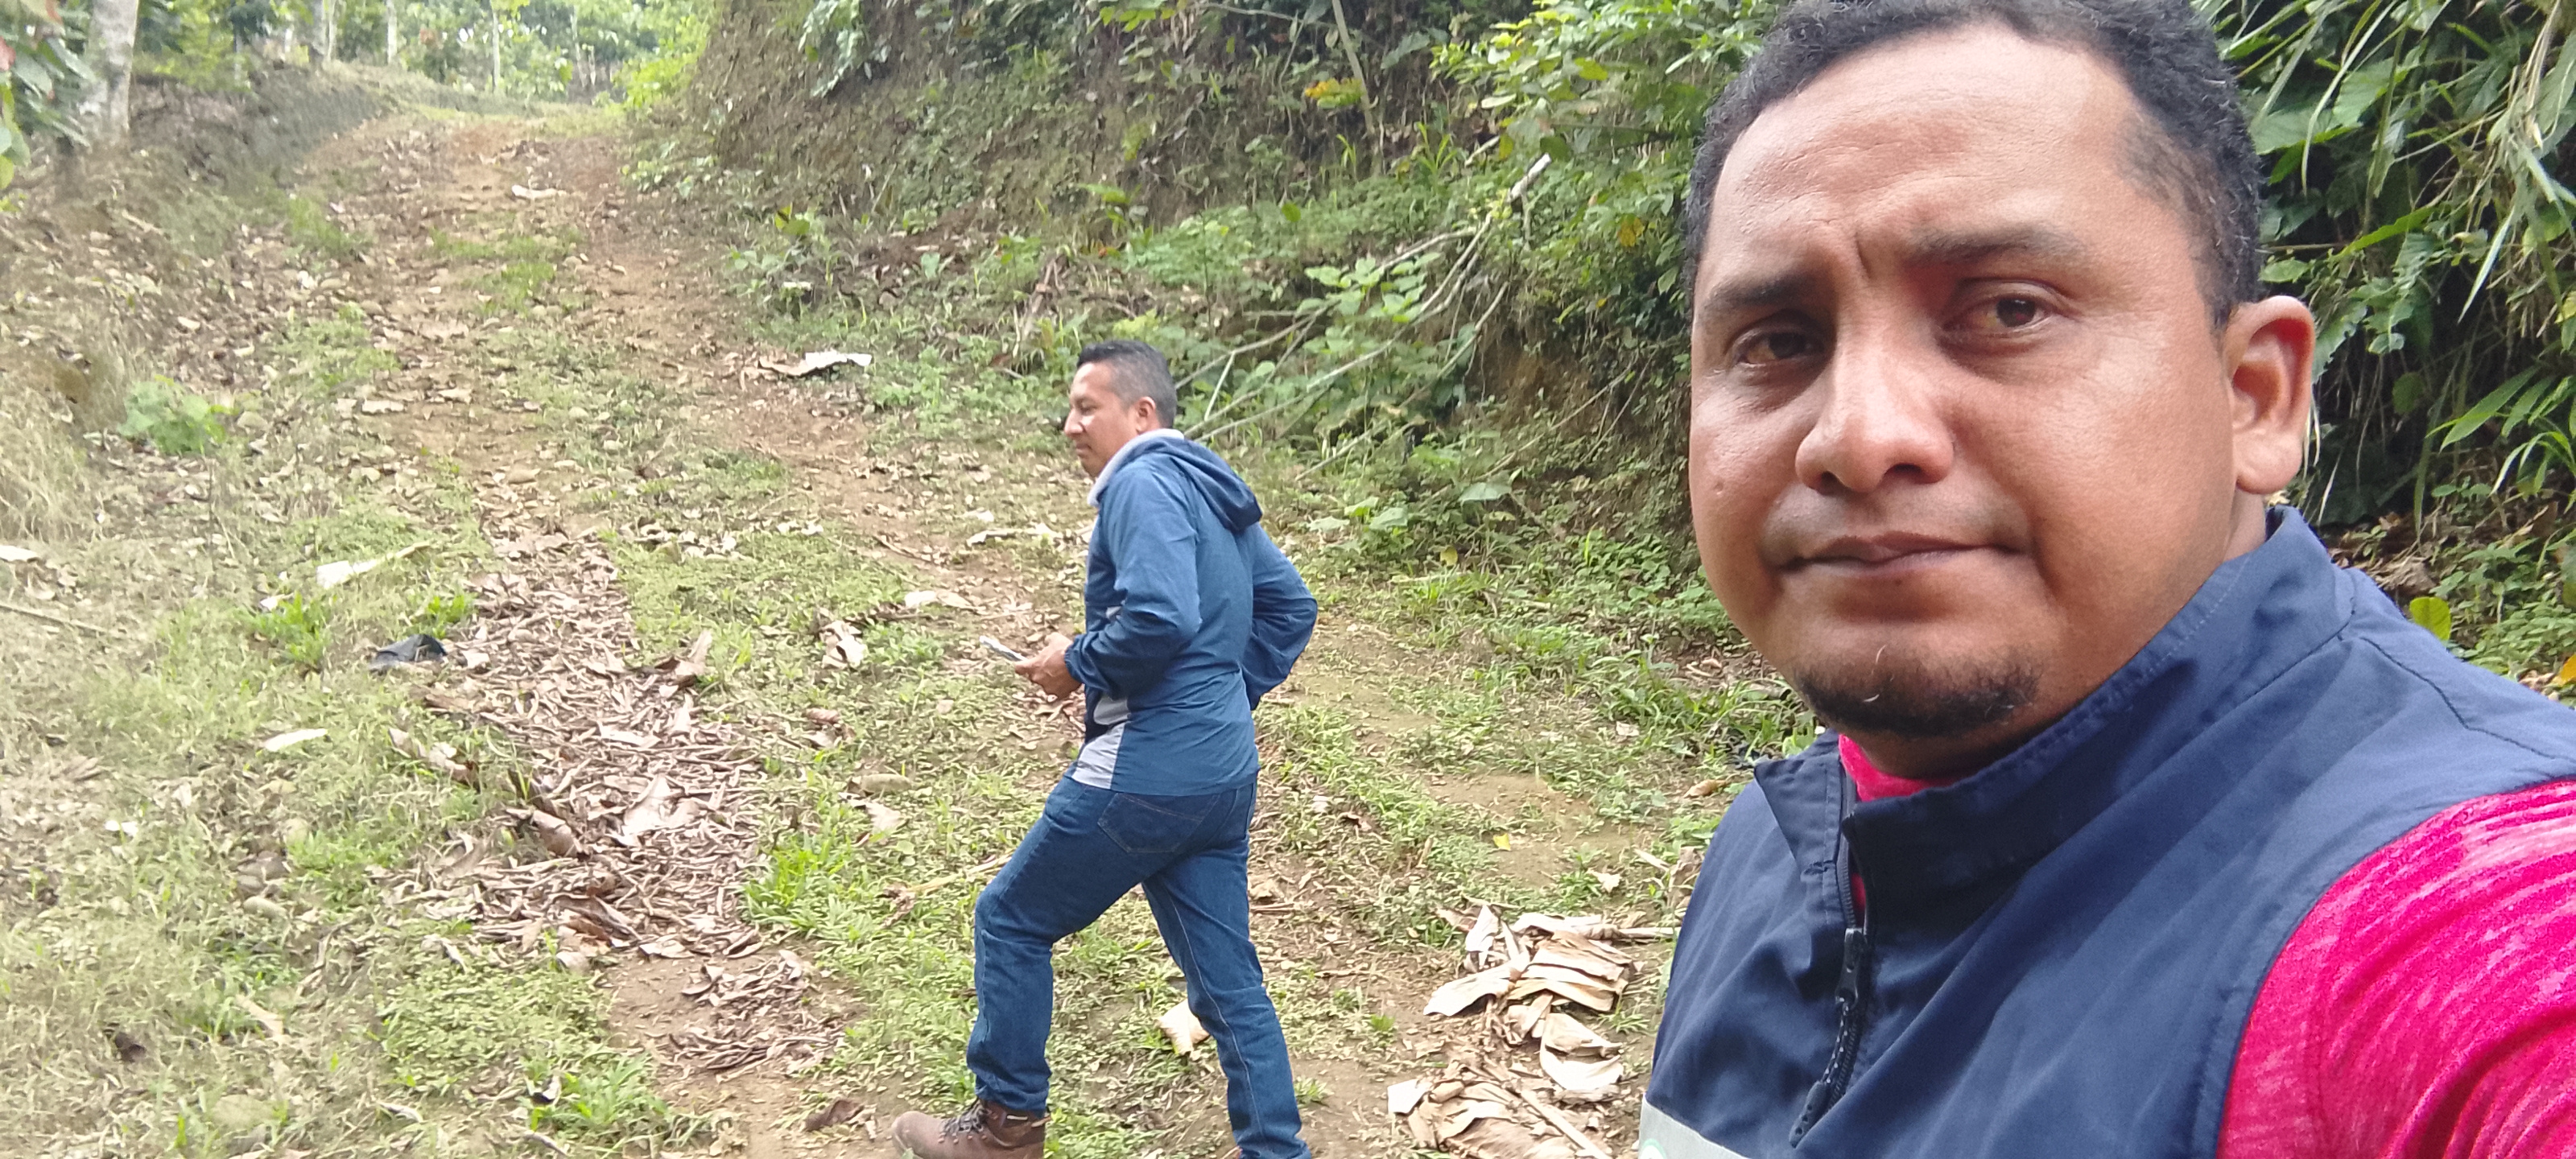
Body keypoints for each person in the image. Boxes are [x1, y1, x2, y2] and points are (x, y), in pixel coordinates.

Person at [1643, 1, 2576, 1156]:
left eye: (2008, 310)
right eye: (1778, 341)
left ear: (2253, 398)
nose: (1858, 435)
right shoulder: (1778, 843)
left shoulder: (2455, 916)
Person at [891, 340, 1319, 1159]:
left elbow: (1159, 617)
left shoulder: (1141, 480)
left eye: (1087, 407)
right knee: (1227, 982)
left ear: (1142, 413)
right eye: (1070, 408)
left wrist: (1075, 662)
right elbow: (1290, 606)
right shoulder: (1209, 488)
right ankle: (1275, 1150)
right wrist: (1224, 698)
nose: (1070, 425)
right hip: (1223, 775)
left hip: (1145, 776)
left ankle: (1005, 1131)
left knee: (1010, 919)